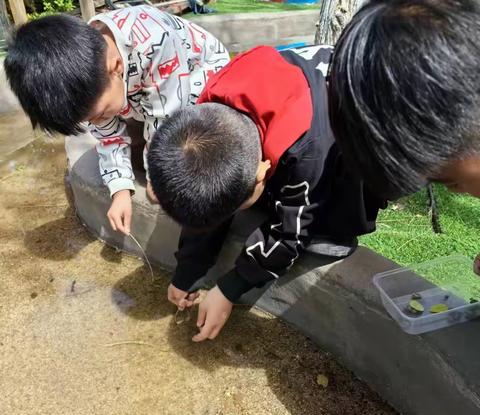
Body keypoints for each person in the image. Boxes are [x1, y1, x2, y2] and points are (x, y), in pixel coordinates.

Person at [148, 0, 480, 342]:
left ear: (263, 172)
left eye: (454, 183)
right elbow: (204, 195)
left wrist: (230, 287)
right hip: (304, 116)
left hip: (330, 139)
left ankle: (332, 230)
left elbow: (289, 235)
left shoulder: (311, 153)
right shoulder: (208, 116)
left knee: (325, 235)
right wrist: (187, 271)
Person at [4, 6, 230, 235]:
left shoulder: (156, 41)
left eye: (99, 114)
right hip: (139, 88)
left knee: (184, 147)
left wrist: (157, 178)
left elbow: (165, 118)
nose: (96, 122)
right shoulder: (90, 70)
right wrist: (120, 190)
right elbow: (108, 135)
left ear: (116, 67)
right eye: (88, 120)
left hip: (197, 73)